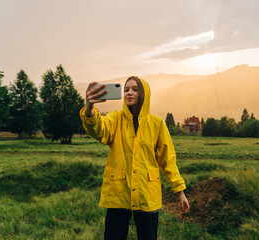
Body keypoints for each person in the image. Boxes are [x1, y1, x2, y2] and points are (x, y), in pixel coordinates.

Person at [79, 76, 190, 240]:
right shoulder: (115, 119)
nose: (129, 93)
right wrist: (89, 108)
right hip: (118, 193)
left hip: (147, 193)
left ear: (144, 94)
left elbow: (168, 160)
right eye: (126, 90)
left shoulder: (157, 123)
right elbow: (99, 129)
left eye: (135, 89)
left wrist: (179, 191)